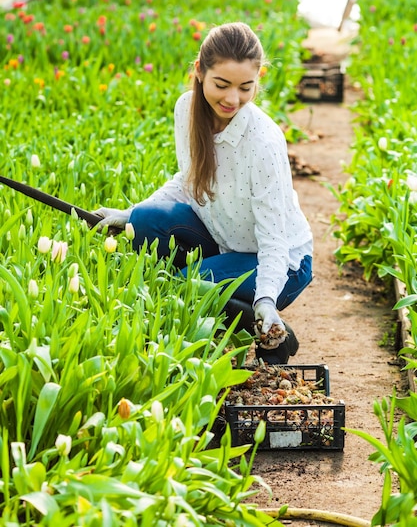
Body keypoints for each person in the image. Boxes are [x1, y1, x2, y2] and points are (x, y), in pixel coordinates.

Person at [95, 22, 313, 364]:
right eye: (222, 85)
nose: (232, 99)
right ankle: (224, 302)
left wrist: (266, 300)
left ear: (259, 78)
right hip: (227, 238)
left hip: (281, 261)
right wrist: (129, 213)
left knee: (184, 287)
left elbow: (274, 239)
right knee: (144, 222)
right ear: (199, 71)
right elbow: (189, 178)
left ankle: (268, 327)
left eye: (246, 87)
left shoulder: (264, 142)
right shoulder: (187, 110)